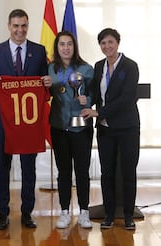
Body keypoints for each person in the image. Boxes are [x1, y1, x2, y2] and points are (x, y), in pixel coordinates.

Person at [0, 9, 51, 230]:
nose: (20, 30)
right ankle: (3, 213)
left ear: (27, 26)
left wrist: (47, 82)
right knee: (2, 166)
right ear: (9, 26)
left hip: (29, 122)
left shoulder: (39, 52)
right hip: (3, 121)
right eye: (16, 26)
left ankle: (26, 213)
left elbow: (44, 88)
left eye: (23, 26)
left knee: (28, 167)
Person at [81, 28, 140, 230]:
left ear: (118, 43)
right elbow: (97, 96)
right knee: (107, 173)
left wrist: (99, 112)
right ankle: (109, 215)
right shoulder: (99, 66)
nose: (107, 46)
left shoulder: (130, 66)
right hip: (106, 130)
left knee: (128, 171)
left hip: (127, 128)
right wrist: (86, 101)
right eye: (103, 43)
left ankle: (128, 215)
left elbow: (126, 99)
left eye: (110, 42)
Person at [47, 31, 94, 229]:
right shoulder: (50, 69)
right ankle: (64, 211)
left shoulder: (87, 69)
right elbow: (42, 93)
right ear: (57, 48)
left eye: (69, 44)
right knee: (63, 171)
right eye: (62, 44)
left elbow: (96, 95)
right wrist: (45, 87)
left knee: (82, 171)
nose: (66, 48)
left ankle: (84, 211)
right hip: (59, 126)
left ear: (75, 47)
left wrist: (88, 100)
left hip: (81, 126)